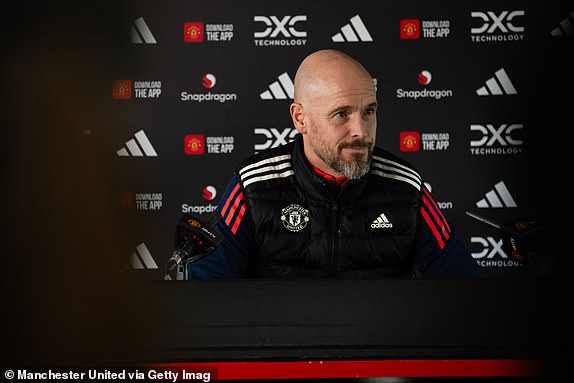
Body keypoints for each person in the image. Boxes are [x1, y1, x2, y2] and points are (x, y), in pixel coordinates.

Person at [187, 49, 483, 279]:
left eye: (369, 111)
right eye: (342, 114)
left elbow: (465, 294)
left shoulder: (406, 188)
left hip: (378, 355)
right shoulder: (253, 186)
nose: (362, 131)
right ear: (300, 118)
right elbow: (205, 294)